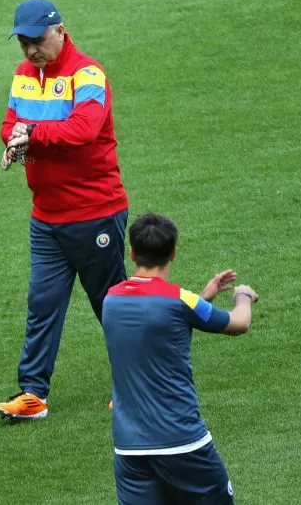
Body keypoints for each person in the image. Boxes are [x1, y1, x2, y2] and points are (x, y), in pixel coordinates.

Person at [0, 0, 129, 420]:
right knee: (42, 305)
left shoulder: (88, 74)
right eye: (23, 43)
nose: (31, 50)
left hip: (95, 213)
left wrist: (31, 135)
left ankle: (134, 388)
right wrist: (15, 142)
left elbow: (84, 130)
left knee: (112, 307)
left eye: (37, 40)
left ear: (60, 31)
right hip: (47, 217)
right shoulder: (22, 76)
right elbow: (9, 124)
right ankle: (33, 394)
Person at [102, 212, 259, 505]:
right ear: (173, 253)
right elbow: (239, 324)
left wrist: (205, 296)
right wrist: (243, 297)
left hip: (130, 449)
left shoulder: (111, 300)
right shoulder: (180, 300)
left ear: (132, 252)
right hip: (182, 443)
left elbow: (160, 324)